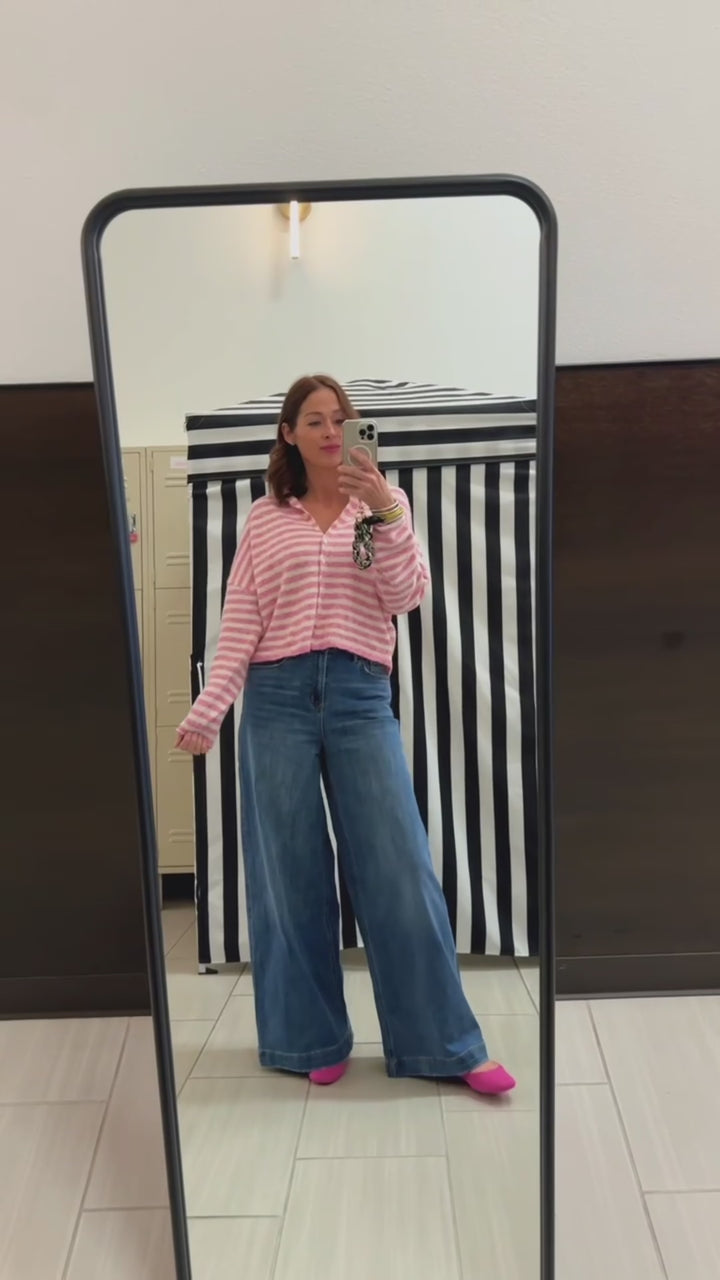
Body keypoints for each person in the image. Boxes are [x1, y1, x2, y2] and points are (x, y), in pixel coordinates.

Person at [176, 373, 515, 1096]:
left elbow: (405, 595)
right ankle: (308, 1038)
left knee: (399, 866)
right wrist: (211, 704)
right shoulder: (265, 518)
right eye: (314, 420)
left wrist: (384, 509)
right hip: (275, 699)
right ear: (289, 434)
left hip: (361, 695)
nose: (331, 432)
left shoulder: (382, 507)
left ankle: (444, 1046)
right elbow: (242, 615)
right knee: (287, 872)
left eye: (341, 419)